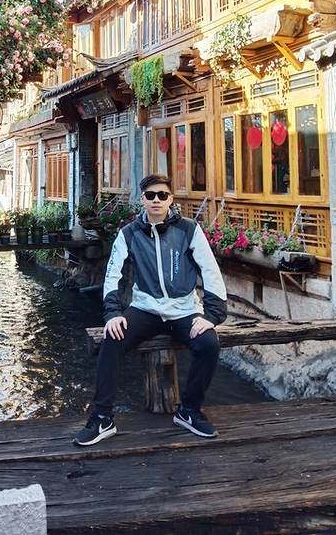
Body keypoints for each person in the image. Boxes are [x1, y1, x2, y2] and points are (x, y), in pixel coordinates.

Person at [73, 173, 227, 446]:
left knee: (208, 344)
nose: (157, 200)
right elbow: (113, 274)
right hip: (145, 308)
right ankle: (102, 417)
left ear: (170, 199)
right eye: (150, 195)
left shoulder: (189, 229)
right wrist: (113, 313)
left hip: (184, 309)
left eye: (162, 195)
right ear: (142, 200)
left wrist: (212, 316)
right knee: (112, 340)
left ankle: (189, 411)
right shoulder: (129, 233)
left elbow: (210, 270)